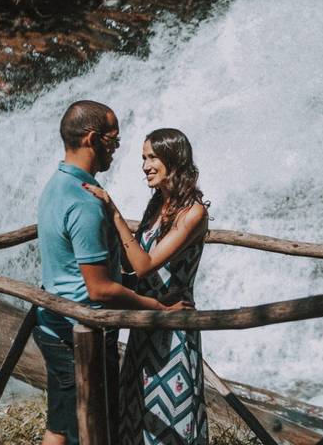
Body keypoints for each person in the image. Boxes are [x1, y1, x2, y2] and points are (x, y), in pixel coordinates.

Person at [34, 101, 187, 445]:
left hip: (52, 324)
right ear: (92, 139)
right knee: (91, 432)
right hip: (80, 335)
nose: (116, 151)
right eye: (113, 142)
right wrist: (157, 309)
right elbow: (100, 289)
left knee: (59, 426)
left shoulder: (56, 184)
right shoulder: (85, 202)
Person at [82, 127, 210, 445]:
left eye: (153, 157)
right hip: (145, 322)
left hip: (173, 325)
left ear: (173, 159)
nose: (145, 166)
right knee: (136, 415)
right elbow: (132, 264)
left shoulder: (194, 213)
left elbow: (144, 264)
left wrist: (112, 211)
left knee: (171, 418)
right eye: (143, 158)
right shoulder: (157, 205)